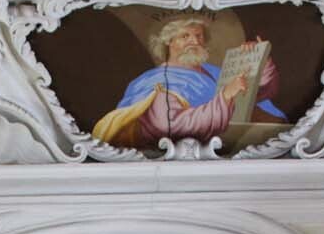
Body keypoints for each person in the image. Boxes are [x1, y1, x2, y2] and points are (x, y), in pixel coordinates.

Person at [92, 14, 283, 149]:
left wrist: (259, 59)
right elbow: (172, 127)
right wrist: (225, 96)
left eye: (198, 35)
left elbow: (259, 94)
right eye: (185, 36)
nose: (195, 41)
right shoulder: (154, 82)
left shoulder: (214, 72)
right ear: (169, 42)